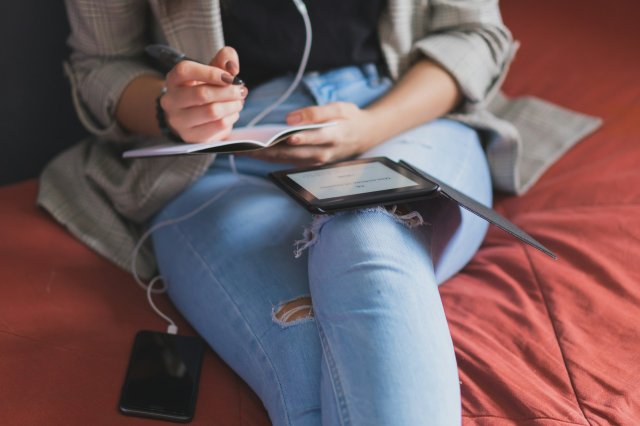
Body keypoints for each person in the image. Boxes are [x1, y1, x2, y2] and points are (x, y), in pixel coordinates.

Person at [38, 0, 596, 424]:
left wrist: (370, 128)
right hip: (219, 152)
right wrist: (170, 107)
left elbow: (476, 33)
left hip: (402, 115)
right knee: (305, 353)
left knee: (369, 232)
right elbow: (100, 66)